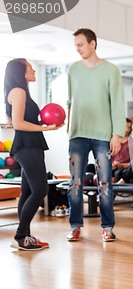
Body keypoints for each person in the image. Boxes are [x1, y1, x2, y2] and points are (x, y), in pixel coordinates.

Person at [66, 28, 126, 242]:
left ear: (93, 44)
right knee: (75, 183)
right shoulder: (73, 69)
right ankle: (75, 226)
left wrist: (117, 134)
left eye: (81, 44)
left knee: (104, 184)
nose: (78, 48)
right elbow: (70, 100)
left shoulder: (111, 70)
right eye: (76, 45)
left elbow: (118, 103)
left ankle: (107, 227)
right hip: (77, 135)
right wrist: (68, 124)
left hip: (103, 136)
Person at [4, 58, 62, 250]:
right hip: (27, 146)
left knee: (28, 191)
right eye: (30, 68)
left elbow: (19, 121)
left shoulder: (19, 92)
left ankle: (25, 236)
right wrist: (47, 130)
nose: (34, 71)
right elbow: (18, 124)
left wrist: (44, 125)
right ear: (21, 72)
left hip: (30, 145)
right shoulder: (18, 92)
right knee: (40, 190)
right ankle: (21, 236)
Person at [112, 118, 133, 183]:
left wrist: (121, 165)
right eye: (125, 127)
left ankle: (117, 191)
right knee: (91, 167)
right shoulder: (112, 142)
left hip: (124, 169)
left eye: (129, 128)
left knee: (118, 173)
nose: (127, 130)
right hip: (111, 168)